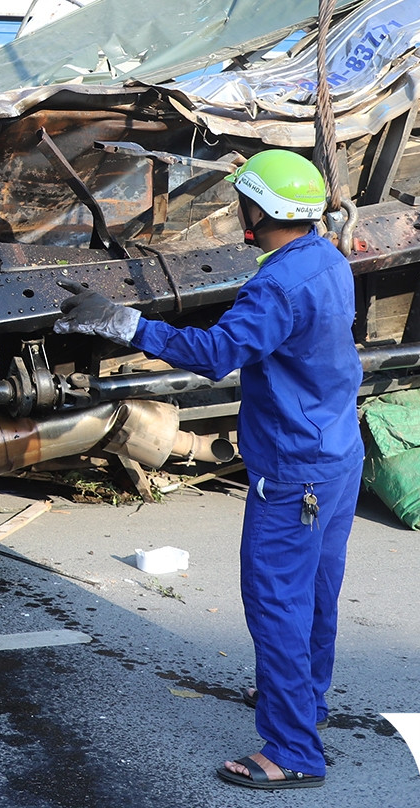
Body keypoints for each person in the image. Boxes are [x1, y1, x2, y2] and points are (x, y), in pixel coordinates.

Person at [52, 149, 364, 791]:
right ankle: (308, 703)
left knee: (277, 600)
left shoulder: (277, 283)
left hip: (293, 465)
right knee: (314, 590)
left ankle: (294, 751)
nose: (235, 212)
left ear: (262, 210)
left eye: (242, 201)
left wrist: (119, 322)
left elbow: (217, 354)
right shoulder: (327, 260)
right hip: (335, 454)